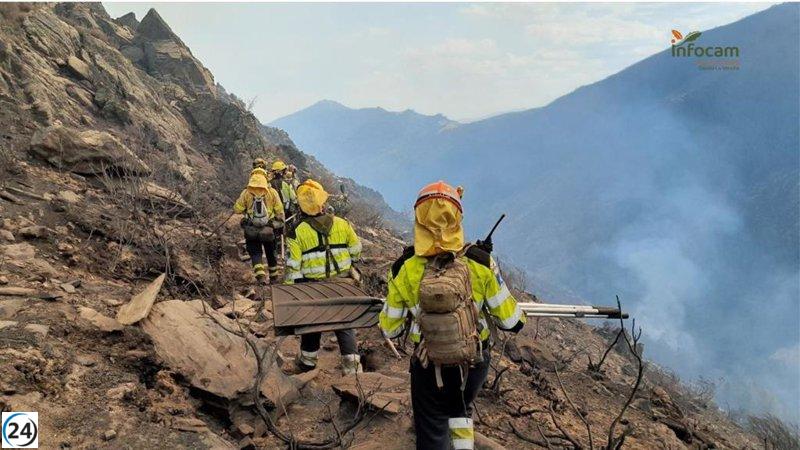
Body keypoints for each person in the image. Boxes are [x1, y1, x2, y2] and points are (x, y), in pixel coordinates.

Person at [379, 181, 525, 450]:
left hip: (428, 363)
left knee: (432, 424)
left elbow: (391, 328)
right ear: (457, 218)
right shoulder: (480, 263)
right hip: (473, 360)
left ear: (419, 222)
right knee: (461, 409)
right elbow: (511, 321)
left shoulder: (404, 268)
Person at [285, 179, 364, 375]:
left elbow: (293, 268)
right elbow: (356, 252)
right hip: (343, 284)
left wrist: (292, 290)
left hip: (314, 288)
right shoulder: (342, 224)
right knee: (345, 324)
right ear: (323, 202)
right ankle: (352, 368)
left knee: (313, 323)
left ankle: (307, 363)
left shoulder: (296, 232)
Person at [233, 172, 285, 283]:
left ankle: (260, 276)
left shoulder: (246, 192)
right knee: (271, 252)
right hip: (268, 228)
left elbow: (237, 209)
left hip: (252, 229)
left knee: (255, 252)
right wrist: (277, 223)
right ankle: (274, 277)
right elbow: (279, 210)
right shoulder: (272, 192)